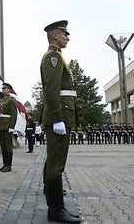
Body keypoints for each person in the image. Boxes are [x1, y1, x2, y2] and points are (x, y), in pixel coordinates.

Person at [40, 20, 80, 223]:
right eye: (65, 34)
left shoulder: (57, 57)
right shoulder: (53, 57)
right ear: (55, 35)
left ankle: (51, 196)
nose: (67, 37)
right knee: (57, 163)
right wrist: (57, 119)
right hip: (60, 116)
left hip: (62, 115)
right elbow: (51, 89)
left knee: (53, 159)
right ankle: (56, 209)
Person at [0, 83, 17, 173]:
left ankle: (9, 165)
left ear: (9, 90)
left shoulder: (11, 100)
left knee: (8, 146)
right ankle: (4, 164)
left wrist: (12, 126)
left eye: (5, 88)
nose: (3, 90)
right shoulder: (1, 100)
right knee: (3, 146)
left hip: (7, 125)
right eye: (2, 88)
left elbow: (14, 114)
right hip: (1, 125)